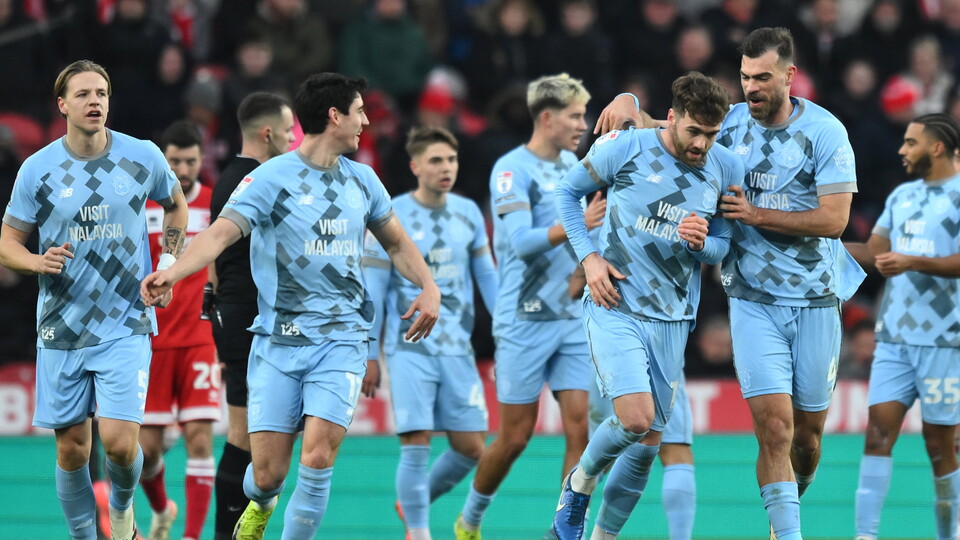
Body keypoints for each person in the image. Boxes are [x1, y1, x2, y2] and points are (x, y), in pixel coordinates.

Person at [140, 72, 440, 540]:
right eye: (358, 112)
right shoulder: (269, 178)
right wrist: (172, 271)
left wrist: (429, 286)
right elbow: (219, 234)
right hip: (278, 341)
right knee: (267, 476)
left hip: (341, 339)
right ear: (334, 116)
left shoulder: (364, 180)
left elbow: (397, 243)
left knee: (318, 456)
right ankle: (259, 505)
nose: (365, 122)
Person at [595, 27, 865, 540]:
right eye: (744, 77)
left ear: (789, 75)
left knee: (806, 440)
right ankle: (787, 534)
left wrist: (755, 213)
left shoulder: (827, 133)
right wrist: (629, 100)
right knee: (776, 429)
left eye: (762, 78)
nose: (751, 88)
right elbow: (666, 128)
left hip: (815, 298)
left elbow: (835, 219)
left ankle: (787, 505)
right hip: (752, 297)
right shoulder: (731, 123)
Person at [0, 59, 188, 540]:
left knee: (122, 445)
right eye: (83, 94)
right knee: (72, 451)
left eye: (101, 93)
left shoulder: (141, 155)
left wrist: (167, 265)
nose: (95, 101)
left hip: (125, 319)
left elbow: (176, 204)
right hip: (62, 325)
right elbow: (7, 241)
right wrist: (35, 262)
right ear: (62, 105)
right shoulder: (37, 169)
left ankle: (123, 516)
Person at [550, 71, 742, 540]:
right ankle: (578, 485)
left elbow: (724, 243)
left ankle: (601, 536)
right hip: (615, 302)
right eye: (694, 131)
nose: (701, 145)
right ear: (672, 117)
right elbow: (567, 193)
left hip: (674, 316)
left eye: (711, 135)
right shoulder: (626, 146)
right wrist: (590, 258)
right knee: (634, 418)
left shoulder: (726, 167)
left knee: (647, 444)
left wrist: (704, 246)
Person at [452, 72, 604, 540]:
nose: (584, 124)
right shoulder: (510, 170)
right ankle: (470, 520)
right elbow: (518, 242)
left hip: (570, 317)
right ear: (547, 117)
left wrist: (586, 265)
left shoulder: (572, 169)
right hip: (523, 318)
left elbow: (586, 238)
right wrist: (576, 224)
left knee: (580, 430)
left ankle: (565, 530)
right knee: (516, 436)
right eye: (576, 116)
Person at [363, 126, 498, 540]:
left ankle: (412, 504)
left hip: (457, 347)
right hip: (409, 348)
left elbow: (488, 278)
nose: (446, 168)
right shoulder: (390, 216)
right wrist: (370, 353)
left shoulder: (469, 213)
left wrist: (507, 333)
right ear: (415, 166)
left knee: (473, 448)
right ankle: (419, 532)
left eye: (452, 160)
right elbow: (375, 289)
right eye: (436, 160)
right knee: (416, 440)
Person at [845, 113, 960, 540]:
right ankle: (865, 536)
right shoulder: (902, 197)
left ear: (937, 147)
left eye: (911, 143)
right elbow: (876, 252)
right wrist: (820, 246)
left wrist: (912, 260)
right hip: (894, 336)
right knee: (877, 435)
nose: (901, 150)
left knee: (938, 446)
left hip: (946, 340)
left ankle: (949, 535)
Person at [208, 92, 296, 540]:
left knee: (252, 435)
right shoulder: (258, 180)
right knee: (246, 435)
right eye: (288, 131)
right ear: (267, 133)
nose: (294, 139)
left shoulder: (228, 178)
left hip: (234, 311)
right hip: (248, 316)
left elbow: (214, 255)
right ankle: (228, 533)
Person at [138, 120, 219, 540]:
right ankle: (162, 508)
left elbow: (220, 269)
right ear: (162, 161)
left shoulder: (214, 204)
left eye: (190, 160)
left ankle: (190, 536)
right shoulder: (143, 206)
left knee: (201, 441)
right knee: (145, 453)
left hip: (199, 340)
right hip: (149, 340)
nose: (183, 169)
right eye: (174, 161)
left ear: (201, 159)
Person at [586, 374, 697, 540]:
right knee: (674, 449)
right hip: (660, 356)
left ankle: (568, 530)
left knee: (596, 455)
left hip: (608, 358)